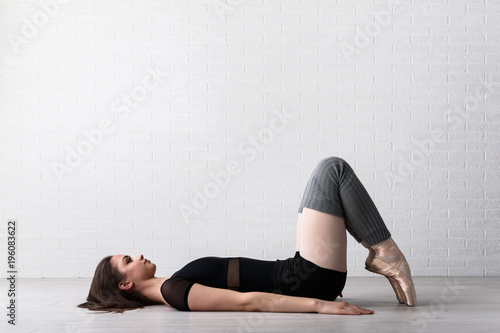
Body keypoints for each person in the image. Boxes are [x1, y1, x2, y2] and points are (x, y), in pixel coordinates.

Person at [78, 156, 416, 315]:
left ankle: (385, 256)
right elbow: (250, 301)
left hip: (302, 270)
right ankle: (388, 255)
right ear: (125, 284)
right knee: (332, 170)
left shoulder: (173, 282)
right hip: (308, 279)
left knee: (328, 188)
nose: (137, 255)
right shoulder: (175, 291)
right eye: (127, 260)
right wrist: (321, 306)